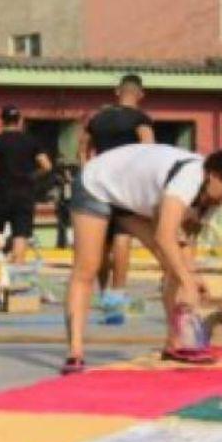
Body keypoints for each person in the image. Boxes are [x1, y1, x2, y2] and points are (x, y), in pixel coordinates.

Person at [63, 143, 222, 372]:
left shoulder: (211, 196)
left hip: (134, 200)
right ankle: (75, 352)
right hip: (98, 184)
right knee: (87, 267)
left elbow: (183, 242)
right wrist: (187, 281)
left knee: (174, 266)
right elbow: (165, 236)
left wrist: (192, 276)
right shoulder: (188, 179)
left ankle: (175, 342)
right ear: (215, 175)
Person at [78, 74, 155, 303]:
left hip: (98, 183)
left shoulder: (97, 118)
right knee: (123, 235)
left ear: (117, 91)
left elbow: (82, 148)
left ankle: (102, 292)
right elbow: (149, 148)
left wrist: (87, 171)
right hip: (126, 185)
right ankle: (118, 292)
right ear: (140, 94)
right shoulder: (141, 119)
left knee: (102, 239)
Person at [0, 106, 52, 263]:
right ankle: (17, 266)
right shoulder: (31, 141)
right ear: (19, 121)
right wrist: (32, 176)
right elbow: (46, 166)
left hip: (0, 193)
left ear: (1, 121)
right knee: (21, 233)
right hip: (25, 194)